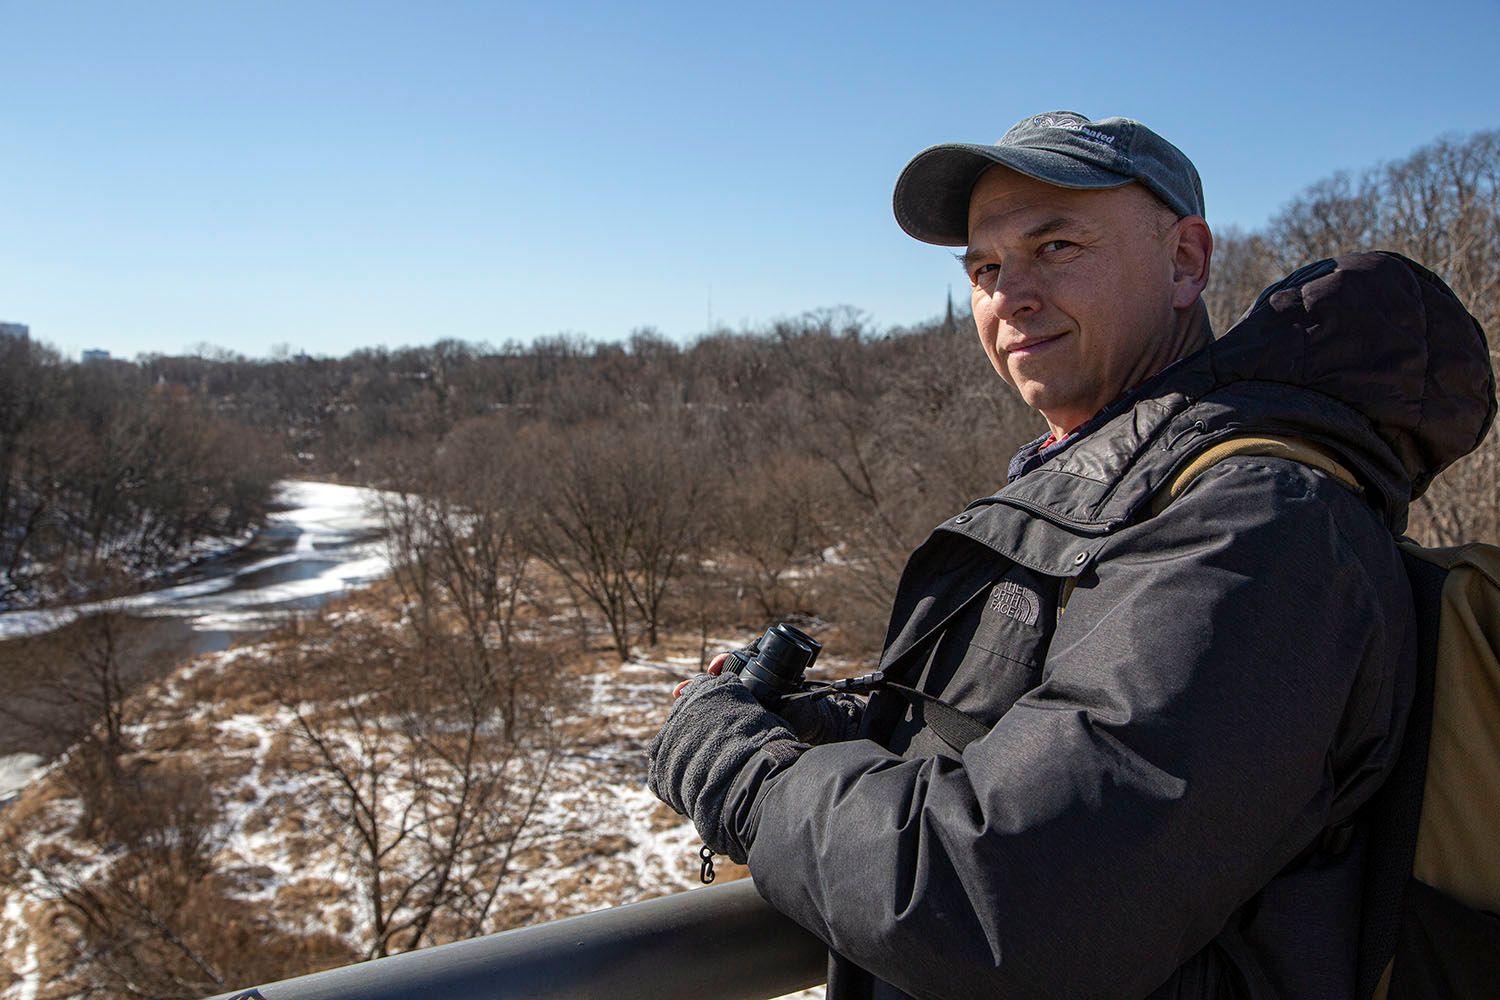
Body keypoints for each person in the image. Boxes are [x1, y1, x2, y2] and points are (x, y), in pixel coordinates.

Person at [647, 112, 1494, 998]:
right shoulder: (1106, 491)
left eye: (1055, 246)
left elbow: (1006, 901)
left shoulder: (1258, 526)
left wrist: (742, 772)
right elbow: (1034, 750)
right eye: (984, 267)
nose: (1008, 293)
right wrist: (830, 731)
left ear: (1186, 263)